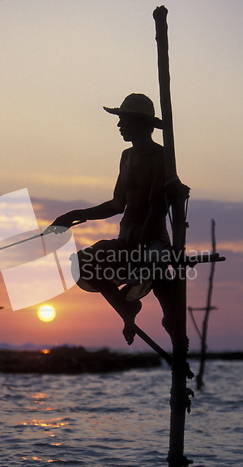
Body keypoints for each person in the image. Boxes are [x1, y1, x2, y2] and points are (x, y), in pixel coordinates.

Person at [48, 93, 173, 345]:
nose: (118, 126)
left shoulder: (161, 157)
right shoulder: (126, 156)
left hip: (153, 240)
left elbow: (156, 208)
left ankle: (170, 324)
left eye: (123, 120)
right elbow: (117, 204)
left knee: (160, 276)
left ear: (139, 123)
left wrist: (140, 248)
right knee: (82, 264)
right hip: (126, 238)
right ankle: (127, 311)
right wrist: (71, 216)